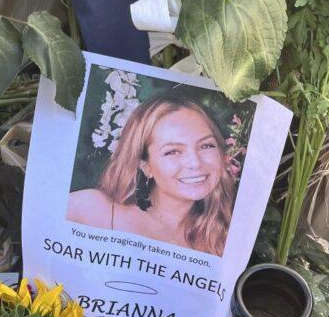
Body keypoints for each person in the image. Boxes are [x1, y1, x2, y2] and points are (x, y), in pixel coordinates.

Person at [67, 95, 236, 255]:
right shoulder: (91, 209)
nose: (195, 163)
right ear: (145, 165)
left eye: (206, 146)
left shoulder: (223, 242)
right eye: (173, 151)